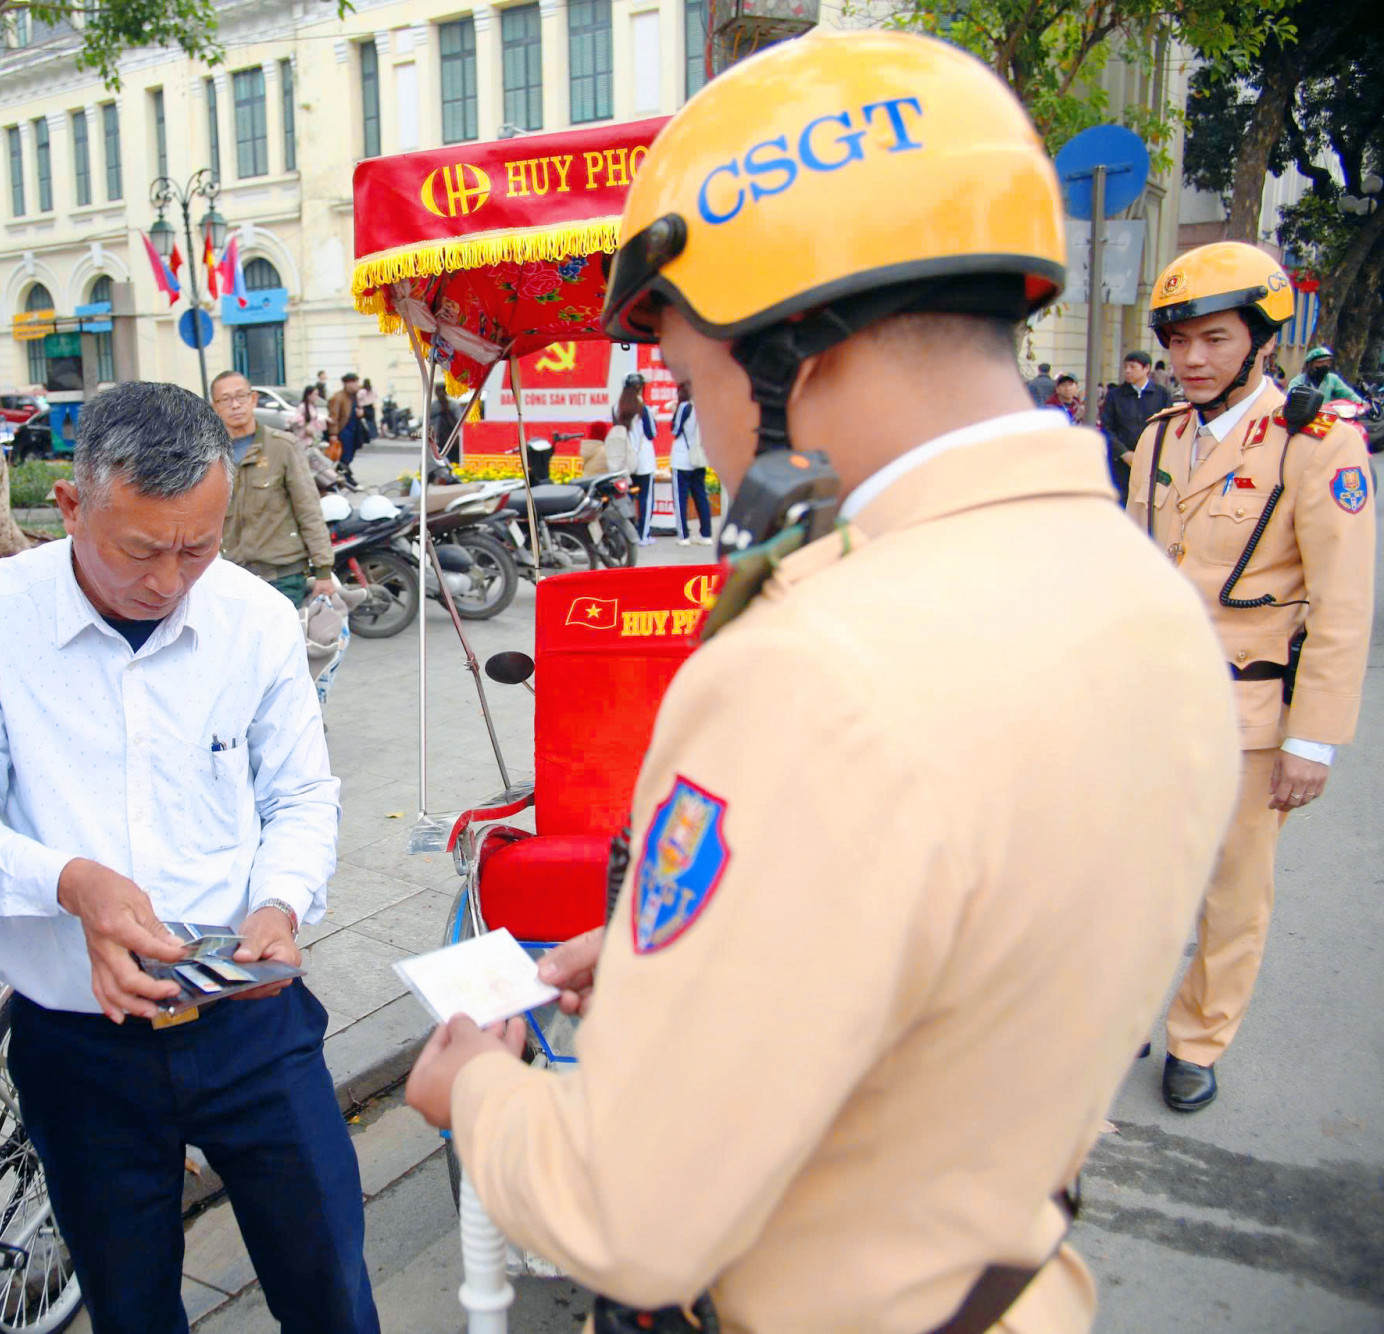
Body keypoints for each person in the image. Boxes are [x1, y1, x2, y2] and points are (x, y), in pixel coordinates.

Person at [405, 29, 1238, 1332]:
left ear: (792, 344)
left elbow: (628, 1212)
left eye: (690, 376)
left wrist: (477, 1091)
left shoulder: (812, 666)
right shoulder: (1144, 598)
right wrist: (680, 955)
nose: (704, 430)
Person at [0, 383, 375, 1333]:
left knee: (329, 1284)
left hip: (249, 1021)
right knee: (128, 1308)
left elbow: (299, 795)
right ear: (70, 506)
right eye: (139, 551)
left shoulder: (253, 619)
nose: (168, 582)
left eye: (197, 548)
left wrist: (280, 904)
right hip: (79, 1043)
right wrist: (70, 884)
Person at [1125, 242, 1376, 1113]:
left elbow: (1343, 607)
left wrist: (1315, 741)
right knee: (1139, 876)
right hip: (1154, 708)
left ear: (1262, 340)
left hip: (1249, 714)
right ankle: (1123, 1011)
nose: (1191, 359)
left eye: (1214, 339)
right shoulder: (1159, 435)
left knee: (1232, 892)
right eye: (1178, 341)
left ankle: (1199, 1038)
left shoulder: (1318, 446)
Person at [211, 370, 336, 609]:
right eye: (225, 399)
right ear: (215, 407)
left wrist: (323, 571)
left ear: (253, 399)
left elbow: (309, 510)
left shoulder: (282, 447)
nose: (235, 405)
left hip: (283, 577)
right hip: (234, 578)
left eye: (241, 396)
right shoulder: (210, 456)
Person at [1098, 350, 1171, 501]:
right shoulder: (1115, 395)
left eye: (1132, 367)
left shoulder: (1161, 394)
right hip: (1121, 462)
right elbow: (1106, 427)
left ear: (1146, 368)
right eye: (1125, 367)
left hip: (1152, 460)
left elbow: (1168, 426)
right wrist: (1123, 452)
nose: (1127, 371)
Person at [670, 381, 713, 544]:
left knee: (680, 498)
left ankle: (683, 537)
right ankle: (706, 535)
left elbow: (675, 430)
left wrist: (674, 411)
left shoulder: (684, 407)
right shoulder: (704, 407)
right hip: (699, 458)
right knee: (701, 496)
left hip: (682, 459)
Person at [619, 374, 660, 543]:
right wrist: (654, 418)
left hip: (625, 461)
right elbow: (652, 434)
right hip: (644, 460)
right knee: (645, 498)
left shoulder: (618, 408)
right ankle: (643, 535)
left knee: (627, 498)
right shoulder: (644, 409)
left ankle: (628, 535)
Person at [327, 372, 364, 476]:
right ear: (347, 384)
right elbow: (333, 416)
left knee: (351, 454)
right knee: (344, 456)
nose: (356, 385)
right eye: (354, 382)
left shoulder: (354, 396)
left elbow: (358, 410)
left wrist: (361, 413)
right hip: (343, 430)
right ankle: (344, 475)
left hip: (354, 429)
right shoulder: (338, 397)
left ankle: (345, 473)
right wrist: (333, 434)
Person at [290, 383, 328, 448]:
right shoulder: (302, 406)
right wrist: (304, 423)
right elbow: (296, 419)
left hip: (311, 434)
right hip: (303, 435)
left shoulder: (312, 406)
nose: (316, 397)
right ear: (308, 395)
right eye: (314, 394)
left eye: (317, 394)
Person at [357, 378, 378, 443]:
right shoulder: (373, 390)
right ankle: (373, 436)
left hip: (363, 407)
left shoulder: (362, 391)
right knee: (371, 422)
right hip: (371, 406)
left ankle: (363, 436)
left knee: (359, 421)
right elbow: (376, 396)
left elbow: (358, 398)